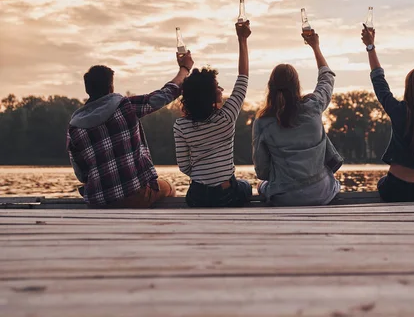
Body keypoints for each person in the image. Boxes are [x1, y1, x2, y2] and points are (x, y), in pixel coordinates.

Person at [67, 51, 194, 208]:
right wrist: (184, 69)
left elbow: (81, 174)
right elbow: (165, 94)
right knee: (169, 187)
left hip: (97, 201)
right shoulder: (125, 107)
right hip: (134, 196)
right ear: (110, 87)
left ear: (87, 89)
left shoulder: (74, 127)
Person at [252, 29, 343, 206]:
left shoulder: (262, 122)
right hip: (321, 192)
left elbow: (262, 171)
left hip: (284, 196)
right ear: (297, 85)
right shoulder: (313, 106)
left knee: (261, 185)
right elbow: (327, 78)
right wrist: (315, 47)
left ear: (270, 86)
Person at [361, 24, 414, 202]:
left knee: (381, 183)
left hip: (394, 188)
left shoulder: (400, 111)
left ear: (408, 88)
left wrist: (370, 47)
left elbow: (379, 81)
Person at [174, 22, 252, 207]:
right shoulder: (226, 117)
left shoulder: (181, 126)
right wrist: (242, 40)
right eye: (217, 87)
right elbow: (243, 77)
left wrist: (204, 177)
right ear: (210, 95)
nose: (221, 89)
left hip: (197, 196)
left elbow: (184, 166)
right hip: (227, 195)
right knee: (246, 186)